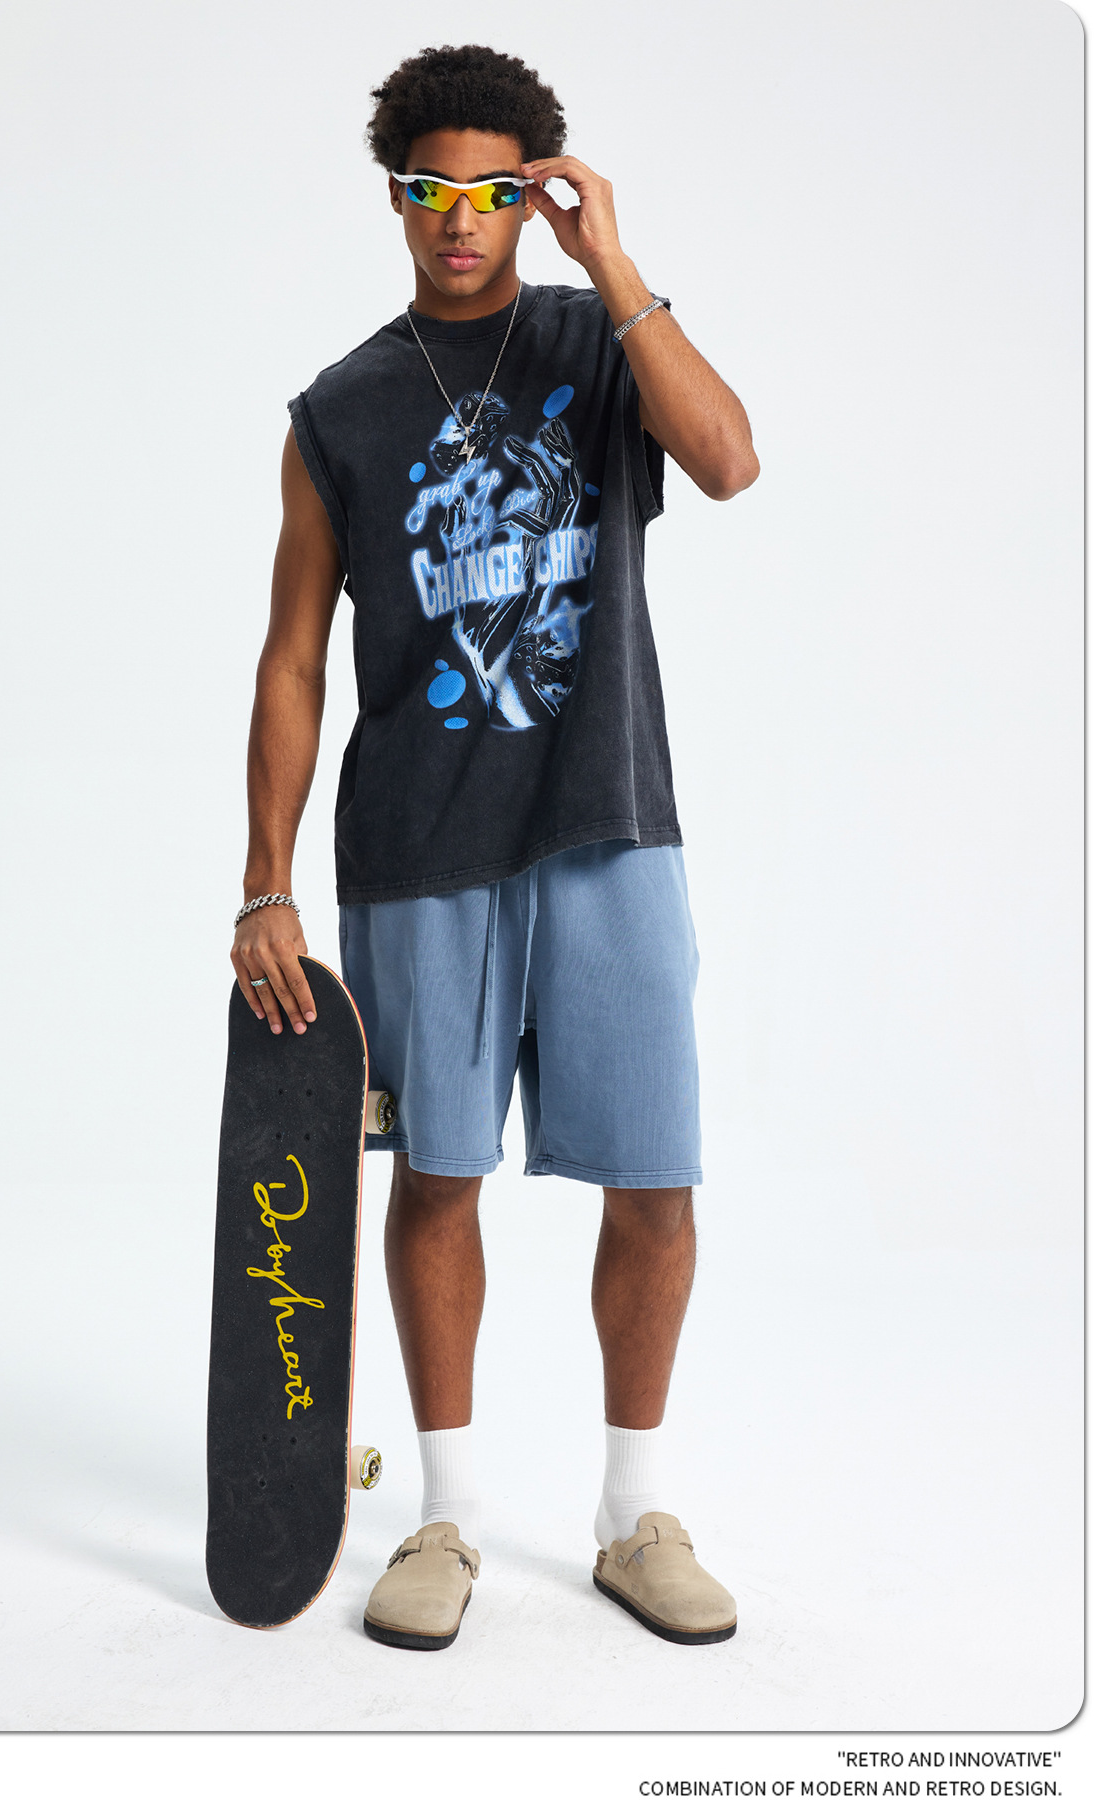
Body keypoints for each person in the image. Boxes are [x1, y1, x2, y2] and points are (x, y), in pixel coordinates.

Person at [230, 43, 759, 1651]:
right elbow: (293, 659)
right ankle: (445, 1515)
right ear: (393, 198)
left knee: (655, 1180)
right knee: (438, 1178)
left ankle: (631, 1513)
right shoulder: (340, 411)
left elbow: (729, 460)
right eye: (428, 189)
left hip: (609, 825)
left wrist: (615, 258)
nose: (458, 219)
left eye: (489, 190)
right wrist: (265, 881)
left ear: (532, 194)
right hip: (421, 851)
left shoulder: (600, 341)